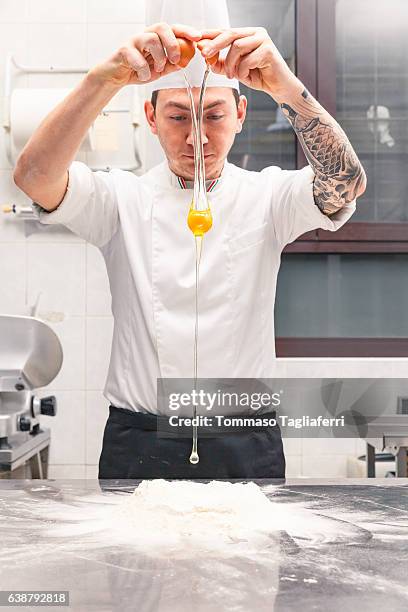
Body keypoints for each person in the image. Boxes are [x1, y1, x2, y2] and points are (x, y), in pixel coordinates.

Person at [13, 22, 366, 480]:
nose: (196, 138)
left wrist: (284, 84)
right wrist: (106, 78)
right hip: (139, 439)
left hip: (246, 439)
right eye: (179, 117)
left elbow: (346, 183)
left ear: (241, 114)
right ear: (151, 117)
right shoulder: (119, 199)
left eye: (214, 117)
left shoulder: (269, 197)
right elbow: (35, 177)